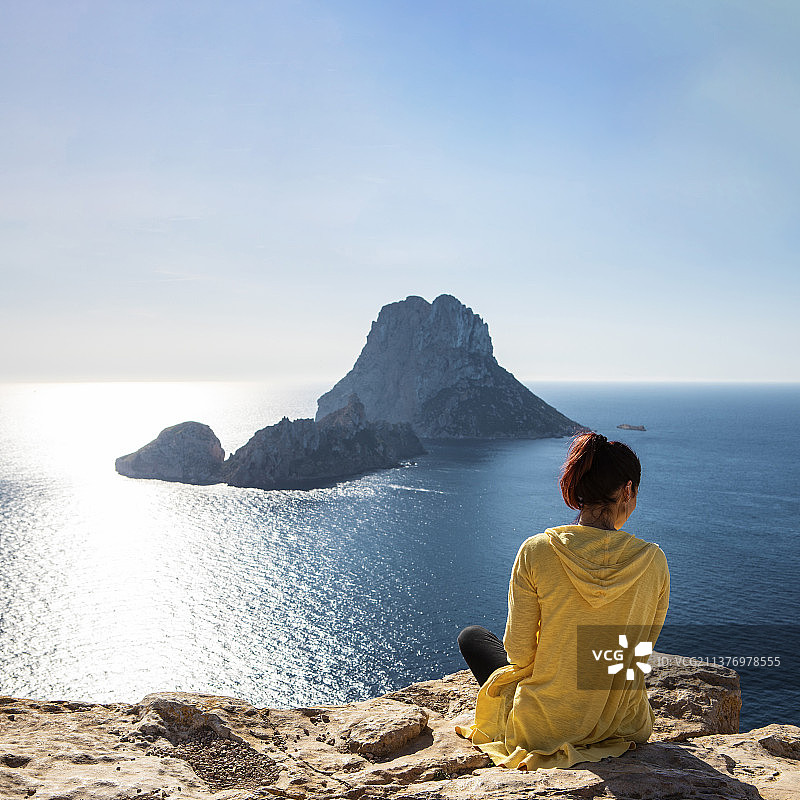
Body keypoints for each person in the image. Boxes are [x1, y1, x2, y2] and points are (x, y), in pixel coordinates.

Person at [455, 431, 670, 770]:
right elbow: (637, 651)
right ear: (628, 490)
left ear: (578, 490)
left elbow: (519, 653)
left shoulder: (537, 551)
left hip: (544, 729)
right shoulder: (653, 561)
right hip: (622, 724)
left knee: (472, 637)